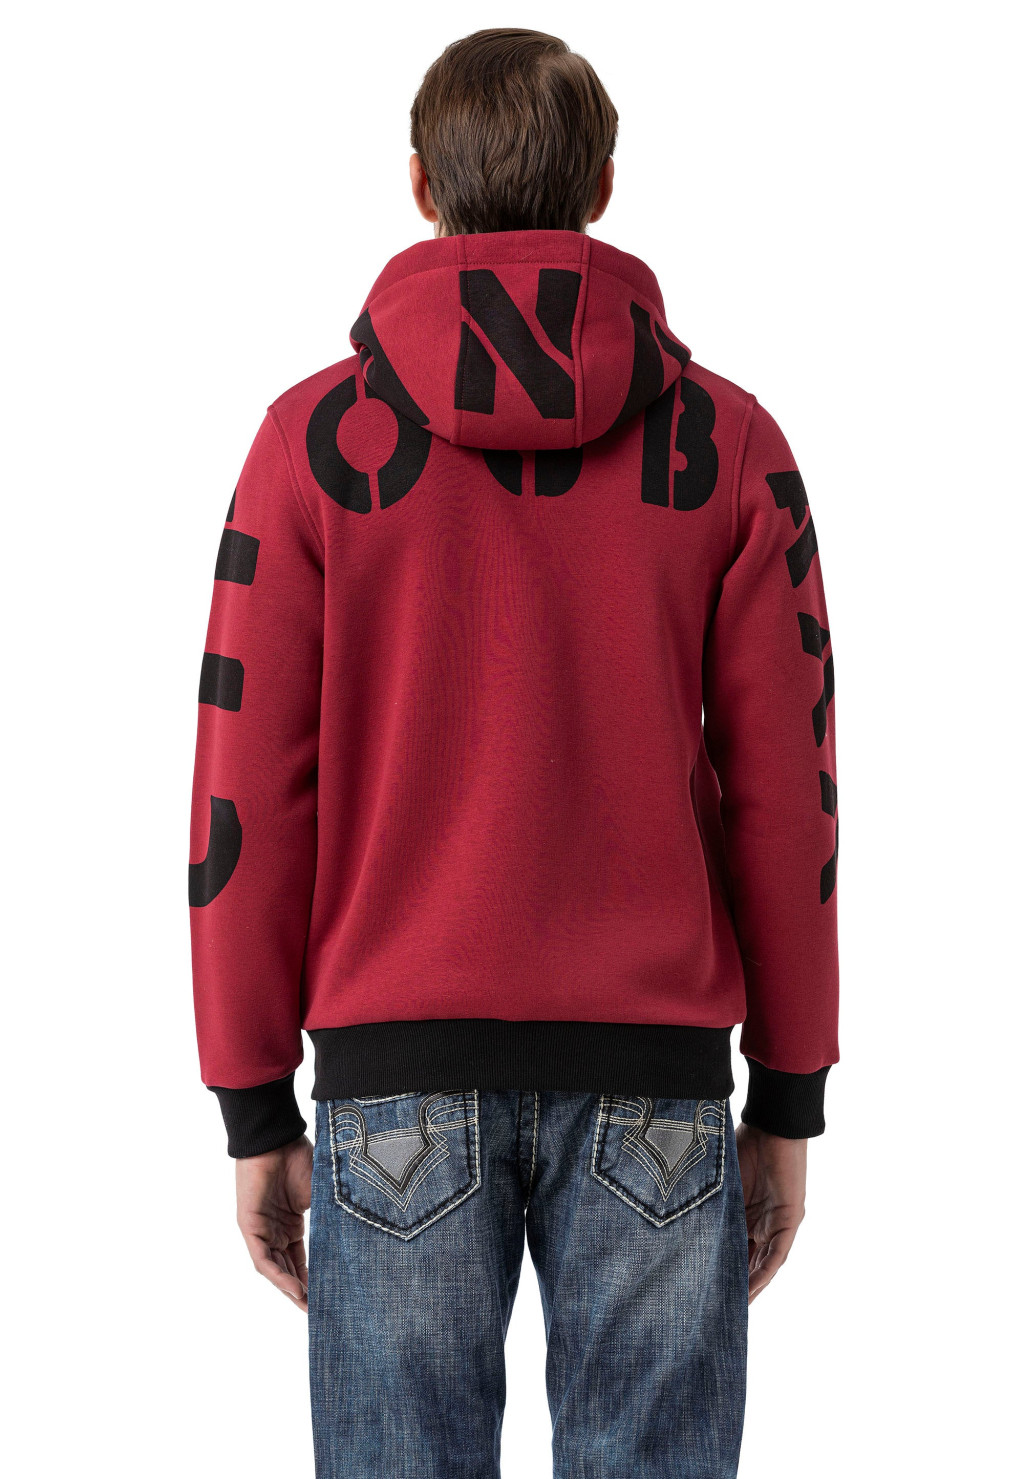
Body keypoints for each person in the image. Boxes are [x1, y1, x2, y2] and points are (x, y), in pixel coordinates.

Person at [188, 27, 839, 1478]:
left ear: (421, 188)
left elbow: (244, 792)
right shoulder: (732, 445)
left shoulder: (307, 446)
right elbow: (790, 794)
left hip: (394, 1081)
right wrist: (790, 1088)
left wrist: (252, 1099)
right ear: (602, 187)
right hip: (658, 1084)